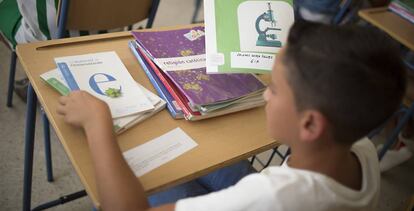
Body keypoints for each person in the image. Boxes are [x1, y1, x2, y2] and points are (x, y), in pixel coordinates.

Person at [56, 20, 406, 210]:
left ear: (311, 123)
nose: (264, 94)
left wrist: (98, 122)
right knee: (188, 155)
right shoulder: (360, 149)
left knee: (132, 185)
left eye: (275, 89)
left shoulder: (273, 197)